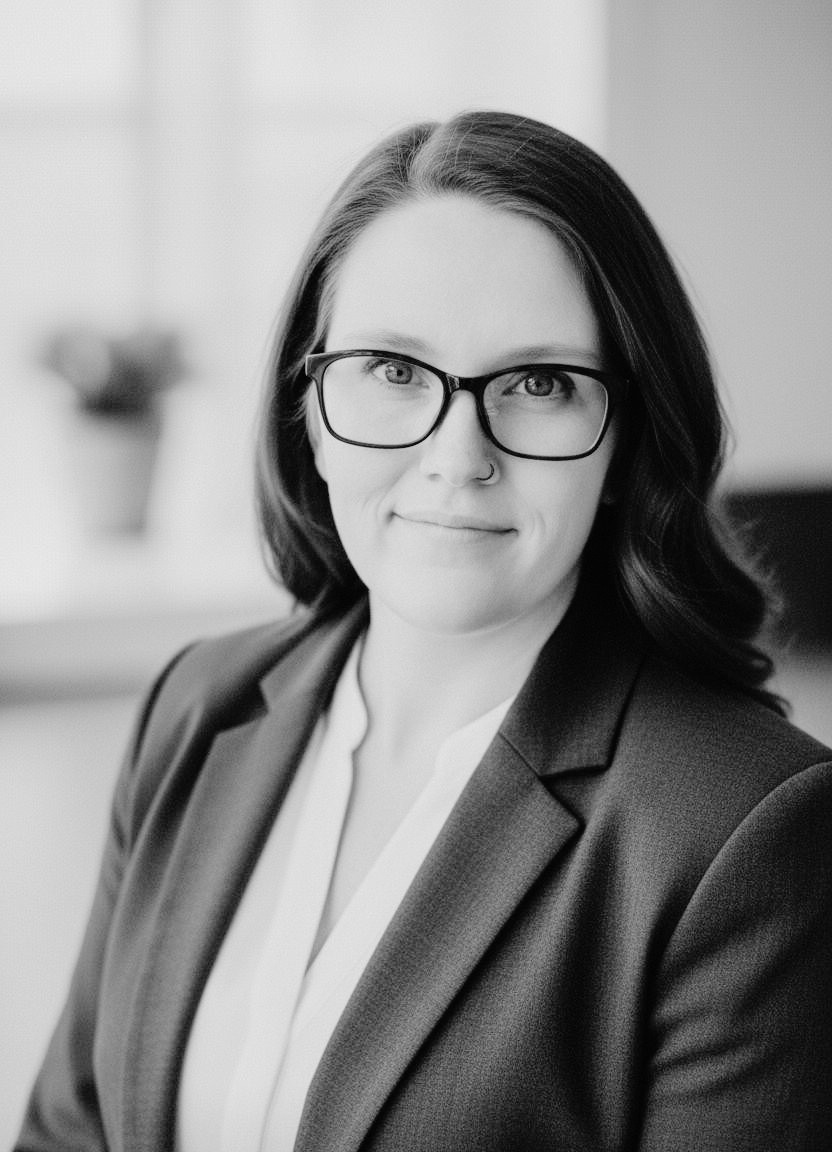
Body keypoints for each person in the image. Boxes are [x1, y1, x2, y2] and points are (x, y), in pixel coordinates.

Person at [15, 111, 832, 1152]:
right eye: (394, 371)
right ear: (306, 408)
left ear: (626, 440)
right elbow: (66, 1128)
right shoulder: (196, 705)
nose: (456, 457)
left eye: (540, 384)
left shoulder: (747, 833)